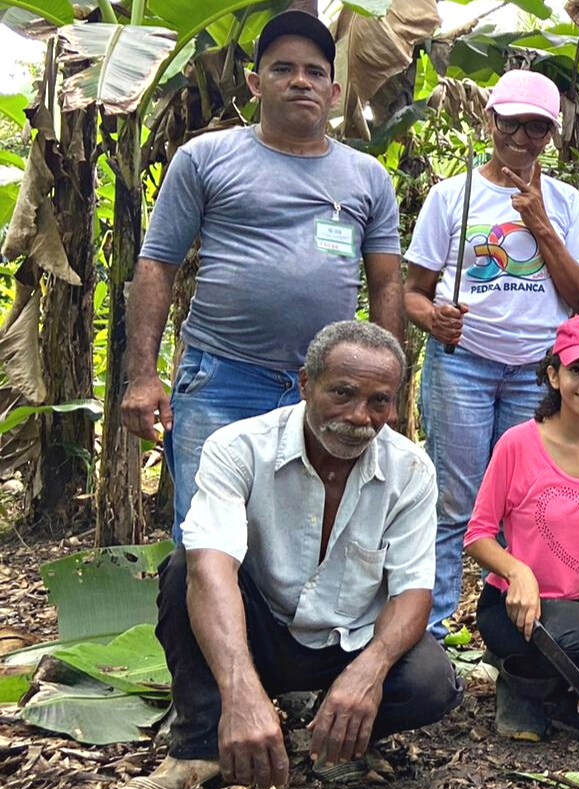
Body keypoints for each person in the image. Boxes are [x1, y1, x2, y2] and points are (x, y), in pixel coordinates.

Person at [118, 321, 461, 789]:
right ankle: (198, 746)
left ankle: (338, 740)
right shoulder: (237, 448)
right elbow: (212, 566)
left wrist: (370, 671)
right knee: (184, 572)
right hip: (258, 633)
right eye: (342, 393)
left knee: (431, 680)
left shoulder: (410, 470)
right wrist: (239, 689)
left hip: (345, 642)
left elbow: (413, 592)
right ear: (305, 384)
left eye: (378, 401)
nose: (360, 416)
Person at [121, 9, 404, 543]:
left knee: (304, 538)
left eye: (315, 72)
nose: (301, 81)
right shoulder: (206, 158)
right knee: (208, 541)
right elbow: (157, 263)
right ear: (255, 83)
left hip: (328, 391)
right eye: (283, 69)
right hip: (222, 379)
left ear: (335, 89)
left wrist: (387, 388)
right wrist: (142, 376)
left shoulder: (367, 176)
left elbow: (388, 283)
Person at [404, 69, 579, 640]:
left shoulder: (565, 202)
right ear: (490, 120)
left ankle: (518, 634)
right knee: (454, 503)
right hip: (462, 364)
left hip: (536, 374)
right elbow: (412, 293)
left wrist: (541, 226)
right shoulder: (453, 195)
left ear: (551, 134)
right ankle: (432, 632)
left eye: (536, 127)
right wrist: (434, 319)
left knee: (528, 505)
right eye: (512, 123)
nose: (522, 136)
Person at [464, 315, 579, 742]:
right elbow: (477, 535)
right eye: (577, 369)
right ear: (553, 374)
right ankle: (521, 681)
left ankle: (550, 687)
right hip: (513, 608)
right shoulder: (517, 443)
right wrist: (517, 571)